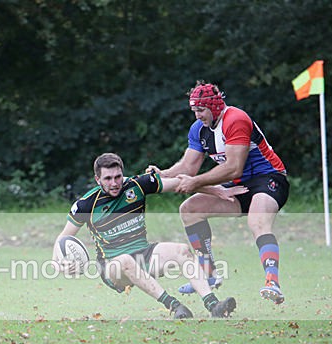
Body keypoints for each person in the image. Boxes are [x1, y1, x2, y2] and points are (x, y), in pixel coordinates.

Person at [53, 152, 244, 318]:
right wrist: (59, 264)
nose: (114, 183)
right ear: (98, 180)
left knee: (182, 250)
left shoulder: (137, 185)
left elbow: (181, 183)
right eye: (108, 179)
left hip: (144, 254)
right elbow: (63, 239)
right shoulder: (86, 204)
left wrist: (216, 190)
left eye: (118, 177)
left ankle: (213, 305)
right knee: (126, 261)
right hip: (112, 266)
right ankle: (174, 306)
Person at [147, 80, 289, 304]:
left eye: (201, 110)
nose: (197, 116)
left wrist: (195, 183)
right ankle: (210, 275)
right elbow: (187, 168)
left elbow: (233, 167)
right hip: (238, 186)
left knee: (257, 222)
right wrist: (161, 174)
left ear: (214, 107)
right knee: (190, 209)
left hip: (268, 179)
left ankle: (272, 282)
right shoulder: (199, 129)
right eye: (194, 111)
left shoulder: (235, 119)